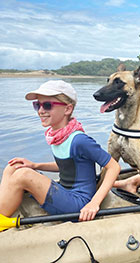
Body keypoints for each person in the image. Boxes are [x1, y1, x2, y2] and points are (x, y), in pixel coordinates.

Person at [0, 80, 120, 221]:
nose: (40, 111)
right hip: (64, 191)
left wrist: (94, 203)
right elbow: (66, 166)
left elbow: (114, 167)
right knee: (13, 166)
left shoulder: (79, 140)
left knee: (23, 175)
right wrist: (35, 165)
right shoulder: (57, 136)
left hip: (78, 203)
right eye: (37, 105)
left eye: (47, 105)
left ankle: (2, 216)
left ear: (67, 109)